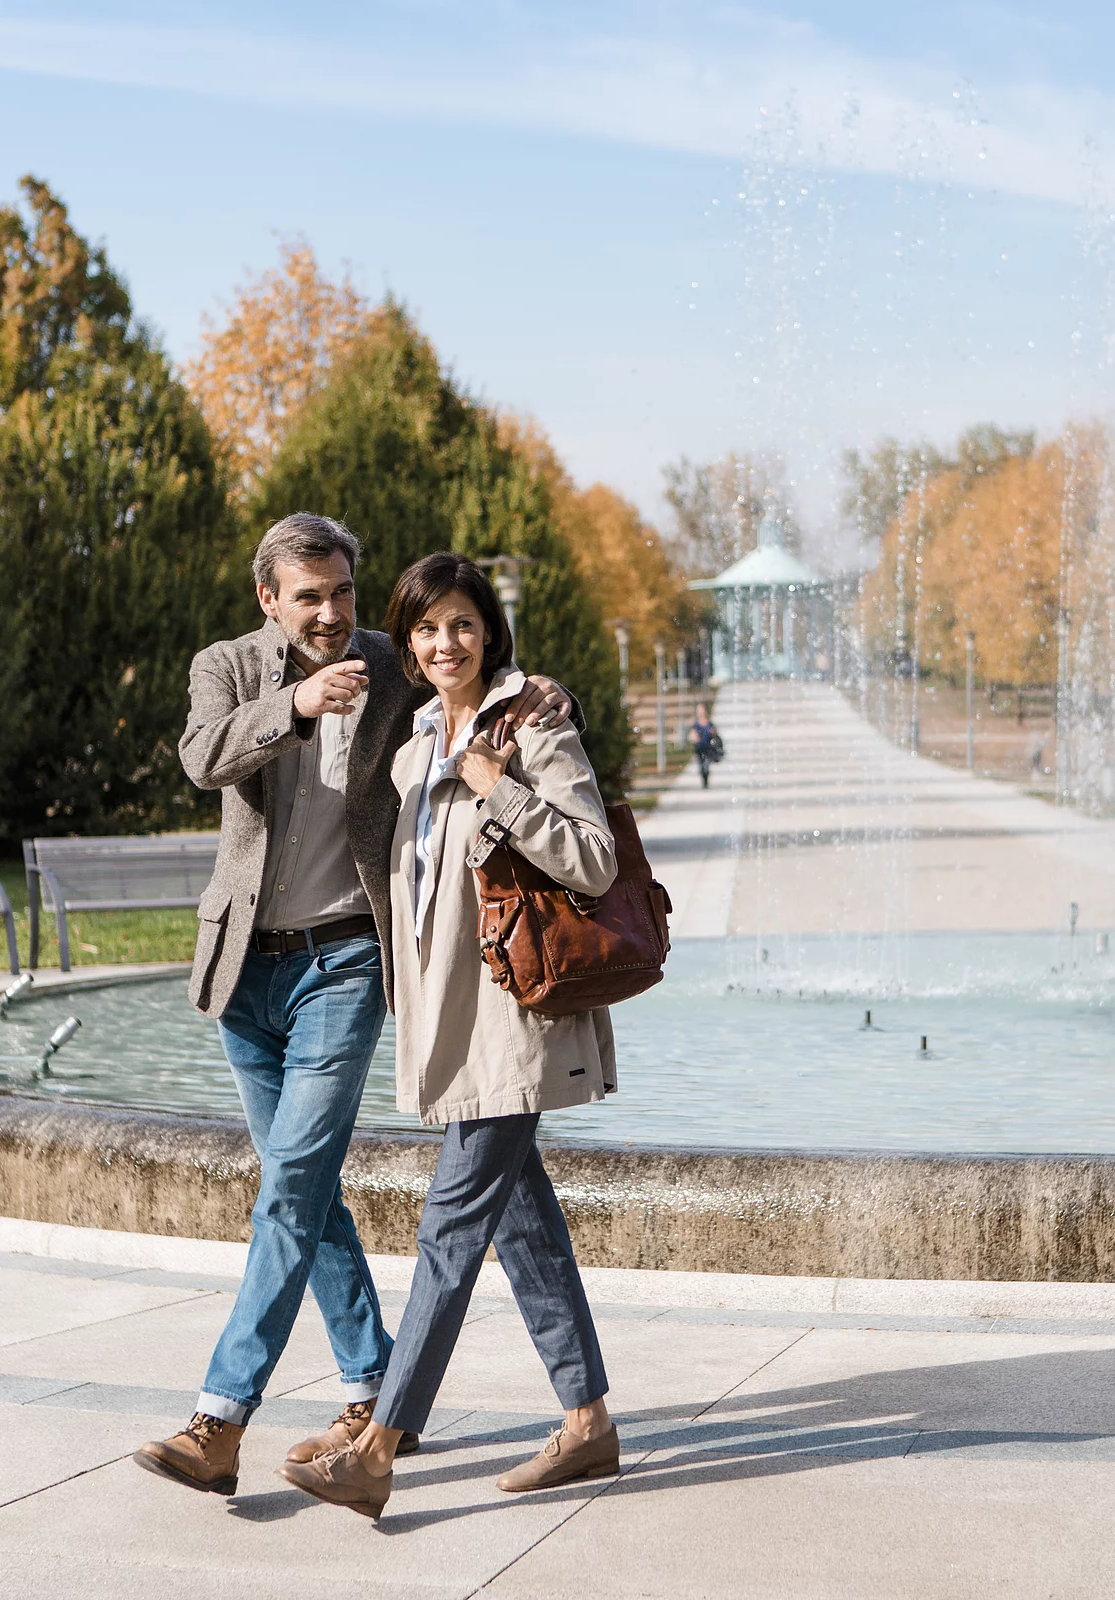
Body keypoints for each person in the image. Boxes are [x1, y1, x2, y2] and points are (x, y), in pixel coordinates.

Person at [134, 516, 574, 1499]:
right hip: (247, 971)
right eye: (310, 597)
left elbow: (475, 668)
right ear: (270, 601)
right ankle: (371, 1384)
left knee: (289, 1184)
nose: (332, 613)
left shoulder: (389, 662)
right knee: (312, 1186)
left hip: (345, 961)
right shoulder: (229, 668)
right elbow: (202, 756)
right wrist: (293, 703)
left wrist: (547, 692)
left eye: (341, 592)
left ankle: (220, 1417)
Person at [277, 552, 620, 1520]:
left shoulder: (531, 721)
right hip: (450, 1024)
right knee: (527, 1228)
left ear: (490, 631)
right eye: (426, 628)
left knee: (449, 1229)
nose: (443, 644)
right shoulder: (415, 737)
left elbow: (592, 861)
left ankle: (380, 1444)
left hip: (514, 1022)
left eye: (462, 624)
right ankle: (588, 1420)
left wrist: (498, 786)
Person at [686, 703, 722, 788]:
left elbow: (715, 735)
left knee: (706, 765)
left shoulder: (710, 724)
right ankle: (704, 778)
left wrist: (713, 733)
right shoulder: (696, 725)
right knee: (701, 767)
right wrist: (694, 737)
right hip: (699, 749)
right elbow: (691, 735)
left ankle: (706, 780)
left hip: (708, 749)